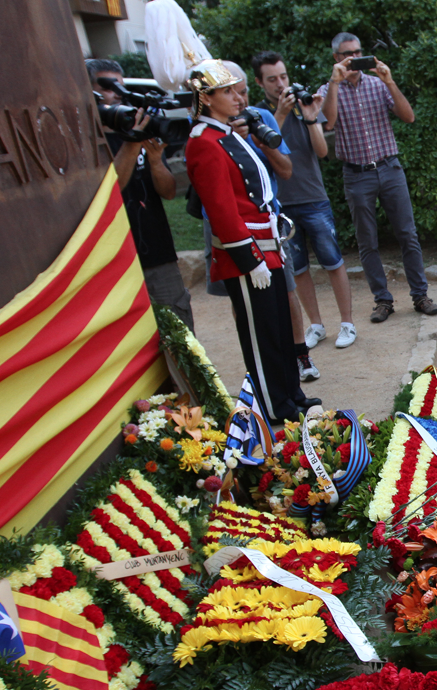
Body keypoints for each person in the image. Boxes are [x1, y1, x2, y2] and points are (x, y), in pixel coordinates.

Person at [184, 59, 319, 424]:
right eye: (227, 91)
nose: (237, 97)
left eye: (237, 90)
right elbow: (222, 209)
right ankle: (275, 407)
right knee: (262, 336)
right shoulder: (203, 141)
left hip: (267, 244)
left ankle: (291, 394)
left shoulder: (226, 134)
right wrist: (250, 258)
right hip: (246, 253)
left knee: (279, 327)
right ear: (206, 98)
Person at [318, 32, 437, 324]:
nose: (354, 58)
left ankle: (420, 295)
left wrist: (390, 81)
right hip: (356, 174)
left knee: (408, 234)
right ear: (336, 58)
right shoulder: (327, 89)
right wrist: (334, 82)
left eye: (358, 52)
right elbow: (328, 123)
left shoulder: (377, 84)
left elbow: (408, 116)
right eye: (347, 54)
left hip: (389, 167)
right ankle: (383, 300)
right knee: (367, 241)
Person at [253, 50, 357, 351]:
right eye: (272, 79)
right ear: (259, 82)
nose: (280, 84)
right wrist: (280, 115)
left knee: (333, 261)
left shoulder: (303, 104)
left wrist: (311, 118)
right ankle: (316, 325)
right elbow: (260, 152)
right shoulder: (258, 114)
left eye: (283, 76)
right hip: (281, 204)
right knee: (297, 268)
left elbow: (322, 152)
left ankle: (347, 323)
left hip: (313, 198)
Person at [87, 60, 193, 331]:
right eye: (107, 87)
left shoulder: (143, 133)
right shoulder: (88, 144)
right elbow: (112, 190)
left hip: (159, 254)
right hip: (114, 261)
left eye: (120, 87)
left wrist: (156, 161)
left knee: (182, 334)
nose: (116, 94)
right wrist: (133, 142)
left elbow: (169, 192)